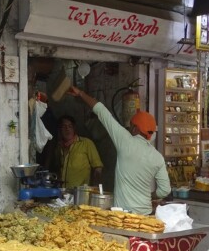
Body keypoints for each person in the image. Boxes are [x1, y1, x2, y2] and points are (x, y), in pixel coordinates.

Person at [67, 86, 170, 214]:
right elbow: (165, 190)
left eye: (131, 126)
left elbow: (101, 111)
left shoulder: (125, 140)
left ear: (135, 129)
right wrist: (151, 196)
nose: (129, 128)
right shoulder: (158, 157)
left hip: (123, 216)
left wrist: (81, 93)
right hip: (146, 216)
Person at [48, 115, 103, 189]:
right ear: (60, 130)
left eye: (70, 126)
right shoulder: (59, 147)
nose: (67, 129)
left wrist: (96, 188)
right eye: (64, 127)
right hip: (62, 191)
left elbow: (98, 167)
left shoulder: (86, 143)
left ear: (74, 128)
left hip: (80, 192)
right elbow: (58, 167)